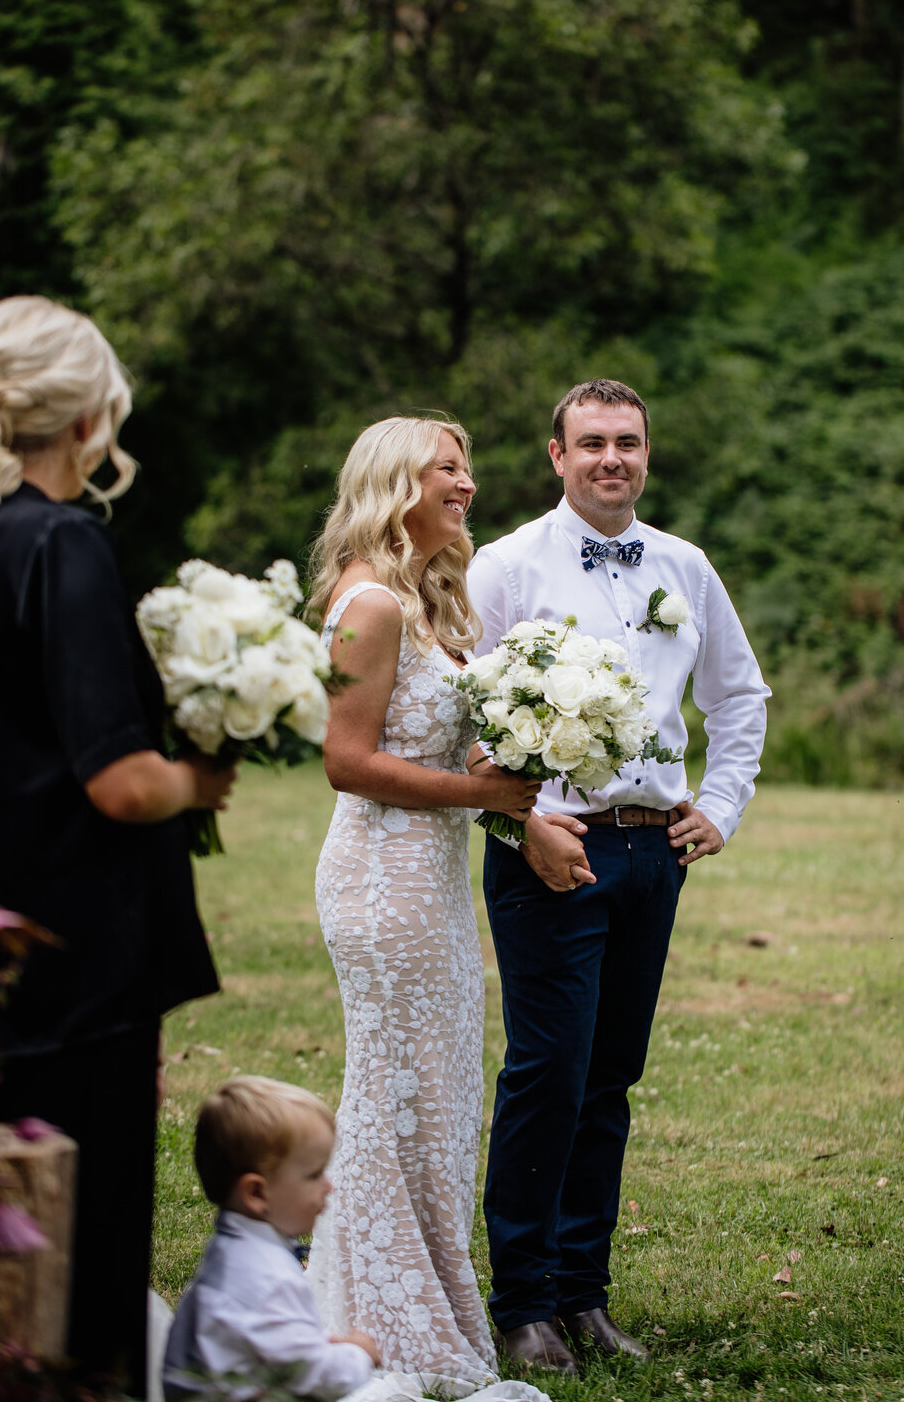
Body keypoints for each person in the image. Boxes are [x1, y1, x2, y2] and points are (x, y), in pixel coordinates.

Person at [0, 295, 234, 1393]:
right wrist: (199, 778)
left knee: (4, 1214)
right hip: (79, 949)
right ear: (89, 422)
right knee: (92, 1220)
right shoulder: (64, 543)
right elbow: (118, 780)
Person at [466, 378, 769, 1372]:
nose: (611, 458)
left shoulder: (683, 566)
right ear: (556, 456)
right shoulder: (507, 566)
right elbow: (462, 719)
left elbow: (741, 693)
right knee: (548, 1072)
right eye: (591, 442)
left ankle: (585, 1296)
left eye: (627, 442)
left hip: (650, 849)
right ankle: (523, 1304)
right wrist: (524, 824)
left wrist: (718, 805)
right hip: (550, 843)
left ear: (647, 452)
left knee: (611, 1077)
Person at [307, 418, 545, 1396]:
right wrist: (487, 796)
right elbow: (347, 763)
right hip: (384, 880)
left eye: (465, 467)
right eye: (448, 469)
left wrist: (504, 763)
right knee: (397, 1099)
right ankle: (387, 1324)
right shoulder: (369, 603)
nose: (469, 484)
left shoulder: (421, 602)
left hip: (430, 878)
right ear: (395, 480)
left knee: (435, 1103)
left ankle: (412, 1304)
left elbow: (424, 745)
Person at [164, 1076, 381, 1399]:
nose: (329, 1185)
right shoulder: (269, 1278)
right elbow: (315, 1377)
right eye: (313, 1175)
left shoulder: (232, 1252)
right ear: (256, 1193)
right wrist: (358, 1354)